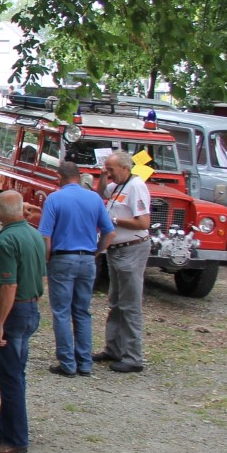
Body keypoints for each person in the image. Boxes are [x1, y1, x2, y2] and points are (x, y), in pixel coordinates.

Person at [38, 160, 115, 376]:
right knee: (82, 312)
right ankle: (85, 362)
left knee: (62, 312)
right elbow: (110, 232)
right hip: (87, 259)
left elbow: (45, 234)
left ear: (60, 177)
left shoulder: (55, 198)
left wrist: (47, 259)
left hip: (63, 258)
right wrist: (96, 252)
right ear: (79, 177)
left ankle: (67, 362)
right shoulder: (94, 198)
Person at [0, 191, 44, 453]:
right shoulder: (34, 234)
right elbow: (41, 277)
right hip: (29, 308)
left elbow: (8, 286)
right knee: (15, 372)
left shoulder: (6, 240)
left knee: (9, 377)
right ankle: (5, 427)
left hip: (13, 310)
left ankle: (16, 437)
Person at [95, 150, 152, 373]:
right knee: (116, 301)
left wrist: (114, 220)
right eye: (107, 169)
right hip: (116, 250)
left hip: (132, 249)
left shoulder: (136, 186)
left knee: (130, 304)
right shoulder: (118, 185)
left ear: (125, 168)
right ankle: (114, 348)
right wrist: (101, 175)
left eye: (111, 170)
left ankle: (133, 356)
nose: (109, 174)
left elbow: (143, 222)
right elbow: (101, 192)